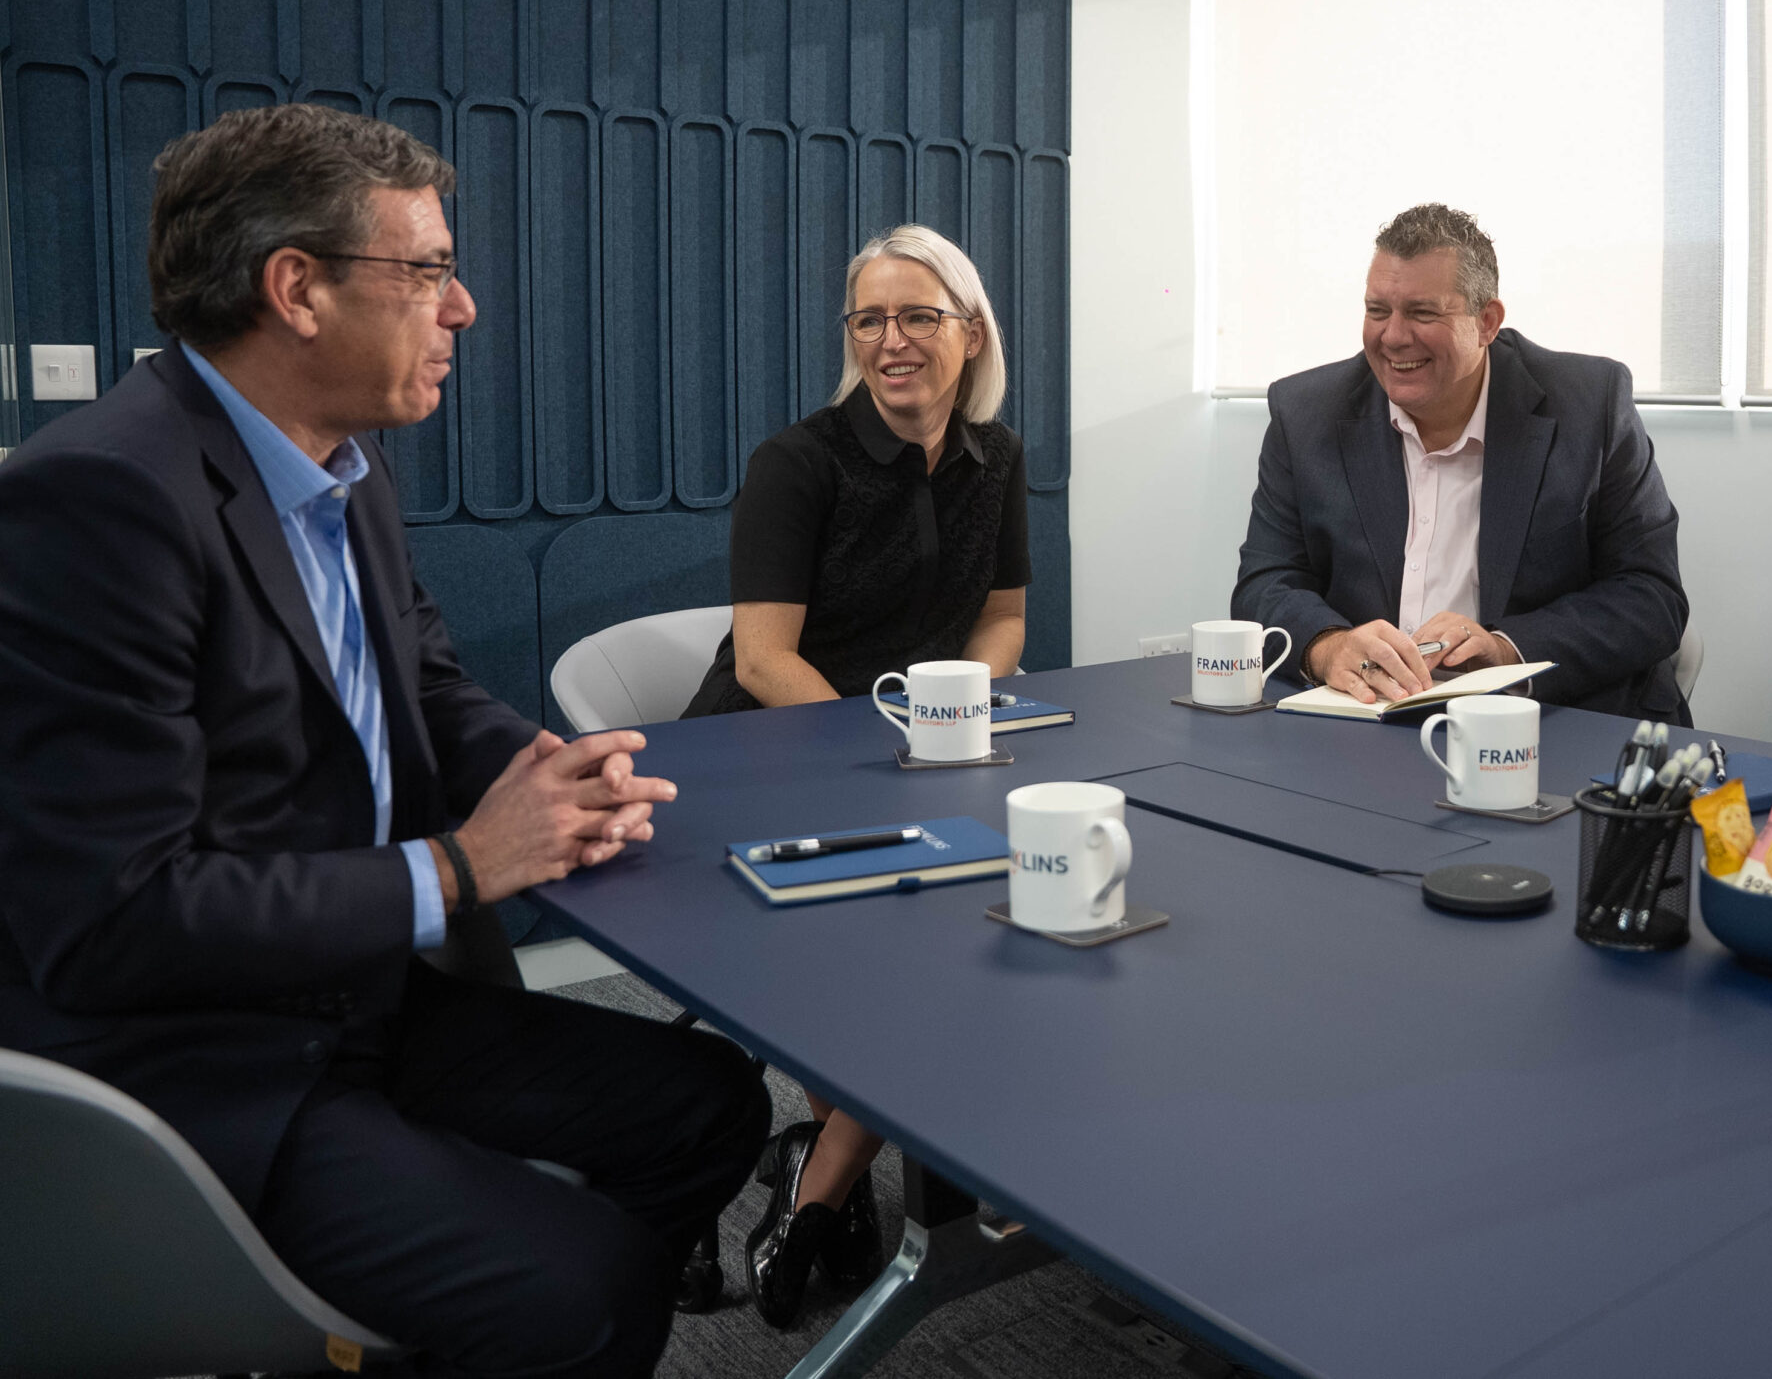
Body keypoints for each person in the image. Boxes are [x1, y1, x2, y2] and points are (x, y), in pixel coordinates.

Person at [0, 104, 770, 1378]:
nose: (462, 307)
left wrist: (544, 774)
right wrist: (461, 867)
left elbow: (426, 686)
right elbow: (112, 921)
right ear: (296, 289)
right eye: (426, 271)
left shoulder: (341, 467)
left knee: (709, 1105)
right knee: (579, 1294)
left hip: (358, 996)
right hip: (199, 1057)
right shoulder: (101, 501)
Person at [682, 222, 1029, 1326]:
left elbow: (1004, 621)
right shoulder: (799, 462)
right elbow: (761, 661)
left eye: (917, 316)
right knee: (922, 955)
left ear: (971, 335)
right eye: (869, 320)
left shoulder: (996, 458)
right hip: (769, 756)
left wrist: (953, 716)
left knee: (996, 924)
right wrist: (895, 750)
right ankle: (829, 1181)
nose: (891, 340)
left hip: (907, 759)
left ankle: (819, 1173)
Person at [1233, 202, 1688, 720]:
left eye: (1422, 313)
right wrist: (1329, 646)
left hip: (1553, 718)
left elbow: (1651, 597)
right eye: (1377, 310)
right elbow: (1264, 584)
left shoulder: (1589, 405)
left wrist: (1504, 648)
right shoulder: (1306, 413)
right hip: (1366, 723)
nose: (1393, 336)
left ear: (1487, 322)